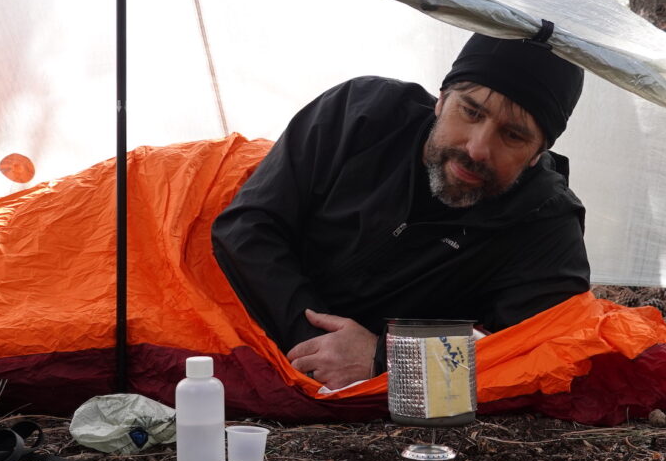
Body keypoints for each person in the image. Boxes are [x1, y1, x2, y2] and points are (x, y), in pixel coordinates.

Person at [211, 32, 591, 389]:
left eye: (513, 135)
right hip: (257, 316)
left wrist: (386, 359)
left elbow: (527, 351)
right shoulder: (360, 113)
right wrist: (313, 341)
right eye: (471, 112)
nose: (478, 148)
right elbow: (247, 225)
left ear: (537, 154)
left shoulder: (546, 222)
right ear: (441, 99)